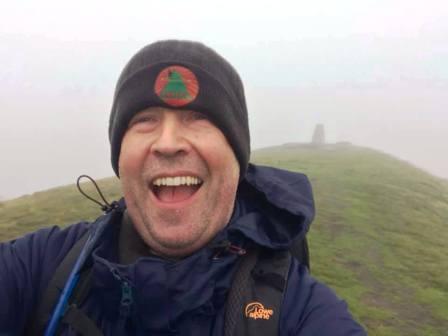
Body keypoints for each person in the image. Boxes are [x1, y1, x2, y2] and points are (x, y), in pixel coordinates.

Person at [0, 40, 366, 335]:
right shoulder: (42, 268)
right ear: (120, 155)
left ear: (237, 159)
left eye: (198, 119)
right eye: (145, 120)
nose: (168, 142)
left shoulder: (300, 311)